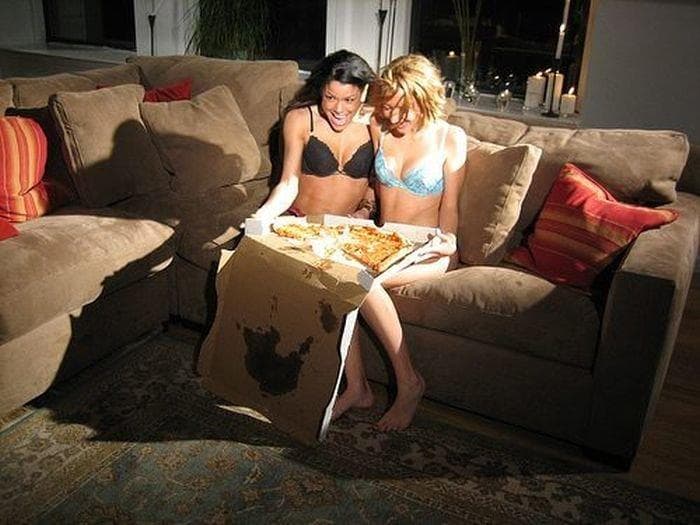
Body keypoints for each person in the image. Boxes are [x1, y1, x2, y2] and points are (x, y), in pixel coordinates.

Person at [332, 54, 468, 431]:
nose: (393, 117)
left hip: (430, 248)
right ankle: (357, 388)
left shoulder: (450, 138)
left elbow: (451, 207)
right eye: (387, 107)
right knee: (336, 275)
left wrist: (449, 243)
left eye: (402, 108)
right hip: (385, 242)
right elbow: (375, 186)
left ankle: (409, 382)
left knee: (362, 283)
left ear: (424, 97)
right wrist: (364, 209)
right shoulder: (379, 125)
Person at [252, 50, 376, 220]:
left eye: (349, 100)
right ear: (321, 90)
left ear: (364, 92)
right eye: (330, 97)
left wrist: (365, 211)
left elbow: (377, 183)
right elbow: (288, 183)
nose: (339, 109)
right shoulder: (300, 119)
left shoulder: (376, 122)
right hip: (300, 223)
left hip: (350, 228)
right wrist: (263, 215)